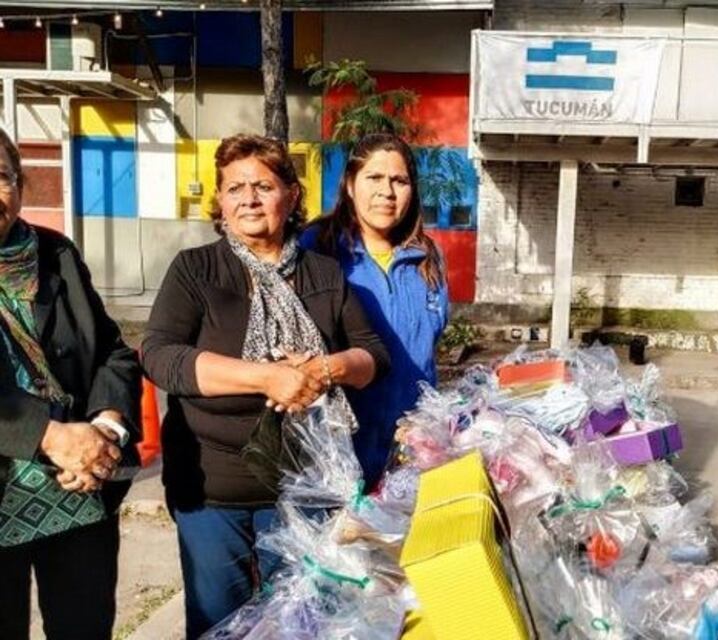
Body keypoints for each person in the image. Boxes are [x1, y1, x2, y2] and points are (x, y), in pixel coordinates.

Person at [141, 134, 390, 638]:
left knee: (299, 623)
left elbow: (373, 356)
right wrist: (265, 376)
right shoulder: (196, 270)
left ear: (292, 196)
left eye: (263, 186)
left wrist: (323, 369)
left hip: (304, 489)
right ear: (220, 200)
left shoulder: (323, 274)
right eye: (234, 188)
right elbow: (160, 355)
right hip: (214, 491)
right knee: (221, 625)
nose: (249, 199)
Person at [0, 126, 142, 639]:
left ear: (20, 184)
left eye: (1, 176)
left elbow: (114, 352)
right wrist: (51, 435)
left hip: (78, 499)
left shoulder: (54, 253)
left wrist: (106, 428)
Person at [301, 133, 449, 490]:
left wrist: (431, 426)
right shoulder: (316, 248)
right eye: (374, 178)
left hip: (409, 453)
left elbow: (428, 354)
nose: (387, 191)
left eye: (399, 180)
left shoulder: (427, 258)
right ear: (350, 184)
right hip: (334, 455)